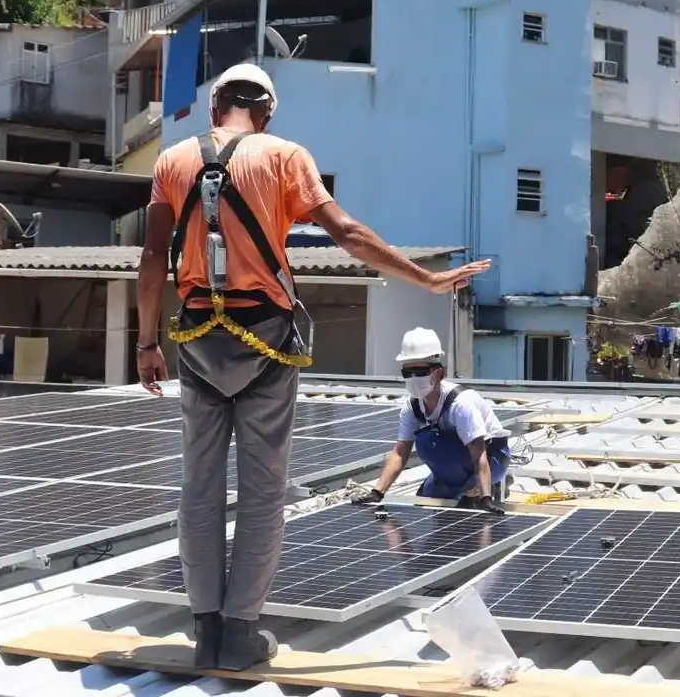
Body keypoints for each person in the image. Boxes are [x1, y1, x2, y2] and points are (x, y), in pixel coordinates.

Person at [134, 63, 491, 673]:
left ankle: (206, 629)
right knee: (262, 489)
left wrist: (146, 342)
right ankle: (241, 631)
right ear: (266, 112)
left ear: (215, 107)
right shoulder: (284, 156)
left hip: (196, 339)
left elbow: (151, 257)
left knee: (199, 484)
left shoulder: (172, 161)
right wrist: (426, 279)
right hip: (266, 340)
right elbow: (345, 231)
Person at [351, 327, 510, 514]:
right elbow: (400, 453)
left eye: (420, 371)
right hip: (454, 458)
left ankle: (484, 487)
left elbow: (479, 455)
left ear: (439, 374)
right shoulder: (412, 406)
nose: (414, 378)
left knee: (431, 442)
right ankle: (459, 488)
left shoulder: (460, 404)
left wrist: (485, 498)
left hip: (492, 458)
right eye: (408, 372)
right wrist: (377, 492)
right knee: (425, 500)